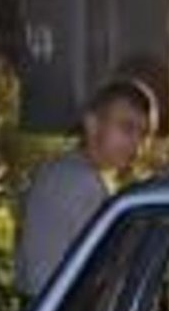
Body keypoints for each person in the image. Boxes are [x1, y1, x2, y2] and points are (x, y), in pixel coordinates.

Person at [16, 76, 155, 297]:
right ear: (91, 124)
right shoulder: (81, 183)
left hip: (44, 307)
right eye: (127, 128)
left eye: (143, 134)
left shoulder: (58, 170)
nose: (137, 144)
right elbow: (106, 272)